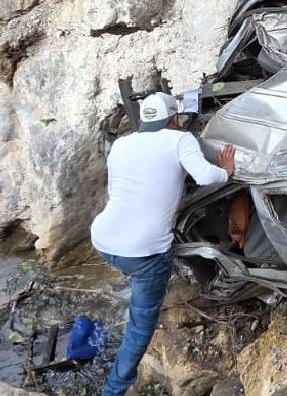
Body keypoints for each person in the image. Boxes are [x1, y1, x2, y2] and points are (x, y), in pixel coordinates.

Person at [91, 92, 236, 396]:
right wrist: (226, 171)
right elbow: (206, 176)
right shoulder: (179, 139)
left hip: (103, 240)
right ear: (174, 119)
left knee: (136, 271)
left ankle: (138, 282)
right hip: (145, 252)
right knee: (140, 329)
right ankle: (113, 391)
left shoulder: (120, 144)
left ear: (144, 119)